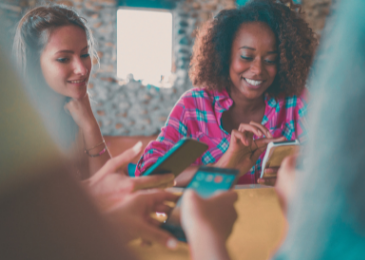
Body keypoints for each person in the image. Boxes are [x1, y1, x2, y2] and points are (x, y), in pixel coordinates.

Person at [135, 0, 316, 186]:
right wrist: (223, 167)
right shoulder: (193, 106)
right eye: (246, 57)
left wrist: (293, 175)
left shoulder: (295, 102)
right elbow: (147, 176)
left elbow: (329, 164)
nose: (258, 70)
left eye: (270, 60)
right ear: (225, 56)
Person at [13, 4, 109, 178]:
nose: (82, 69)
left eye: (85, 54)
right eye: (64, 59)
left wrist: (90, 126)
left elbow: (108, 183)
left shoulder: (76, 113)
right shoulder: (15, 126)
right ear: (35, 64)